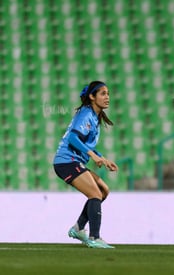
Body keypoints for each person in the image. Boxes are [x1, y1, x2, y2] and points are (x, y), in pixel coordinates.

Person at [53, 81, 118, 249]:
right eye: (103, 93)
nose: (107, 97)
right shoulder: (86, 114)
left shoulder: (94, 117)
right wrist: (91, 156)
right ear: (92, 96)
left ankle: (78, 228)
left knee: (103, 191)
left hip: (74, 161)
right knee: (95, 194)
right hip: (66, 161)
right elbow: (73, 139)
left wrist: (102, 158)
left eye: (108, 93)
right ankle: (94, 237)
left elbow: (86, 144)